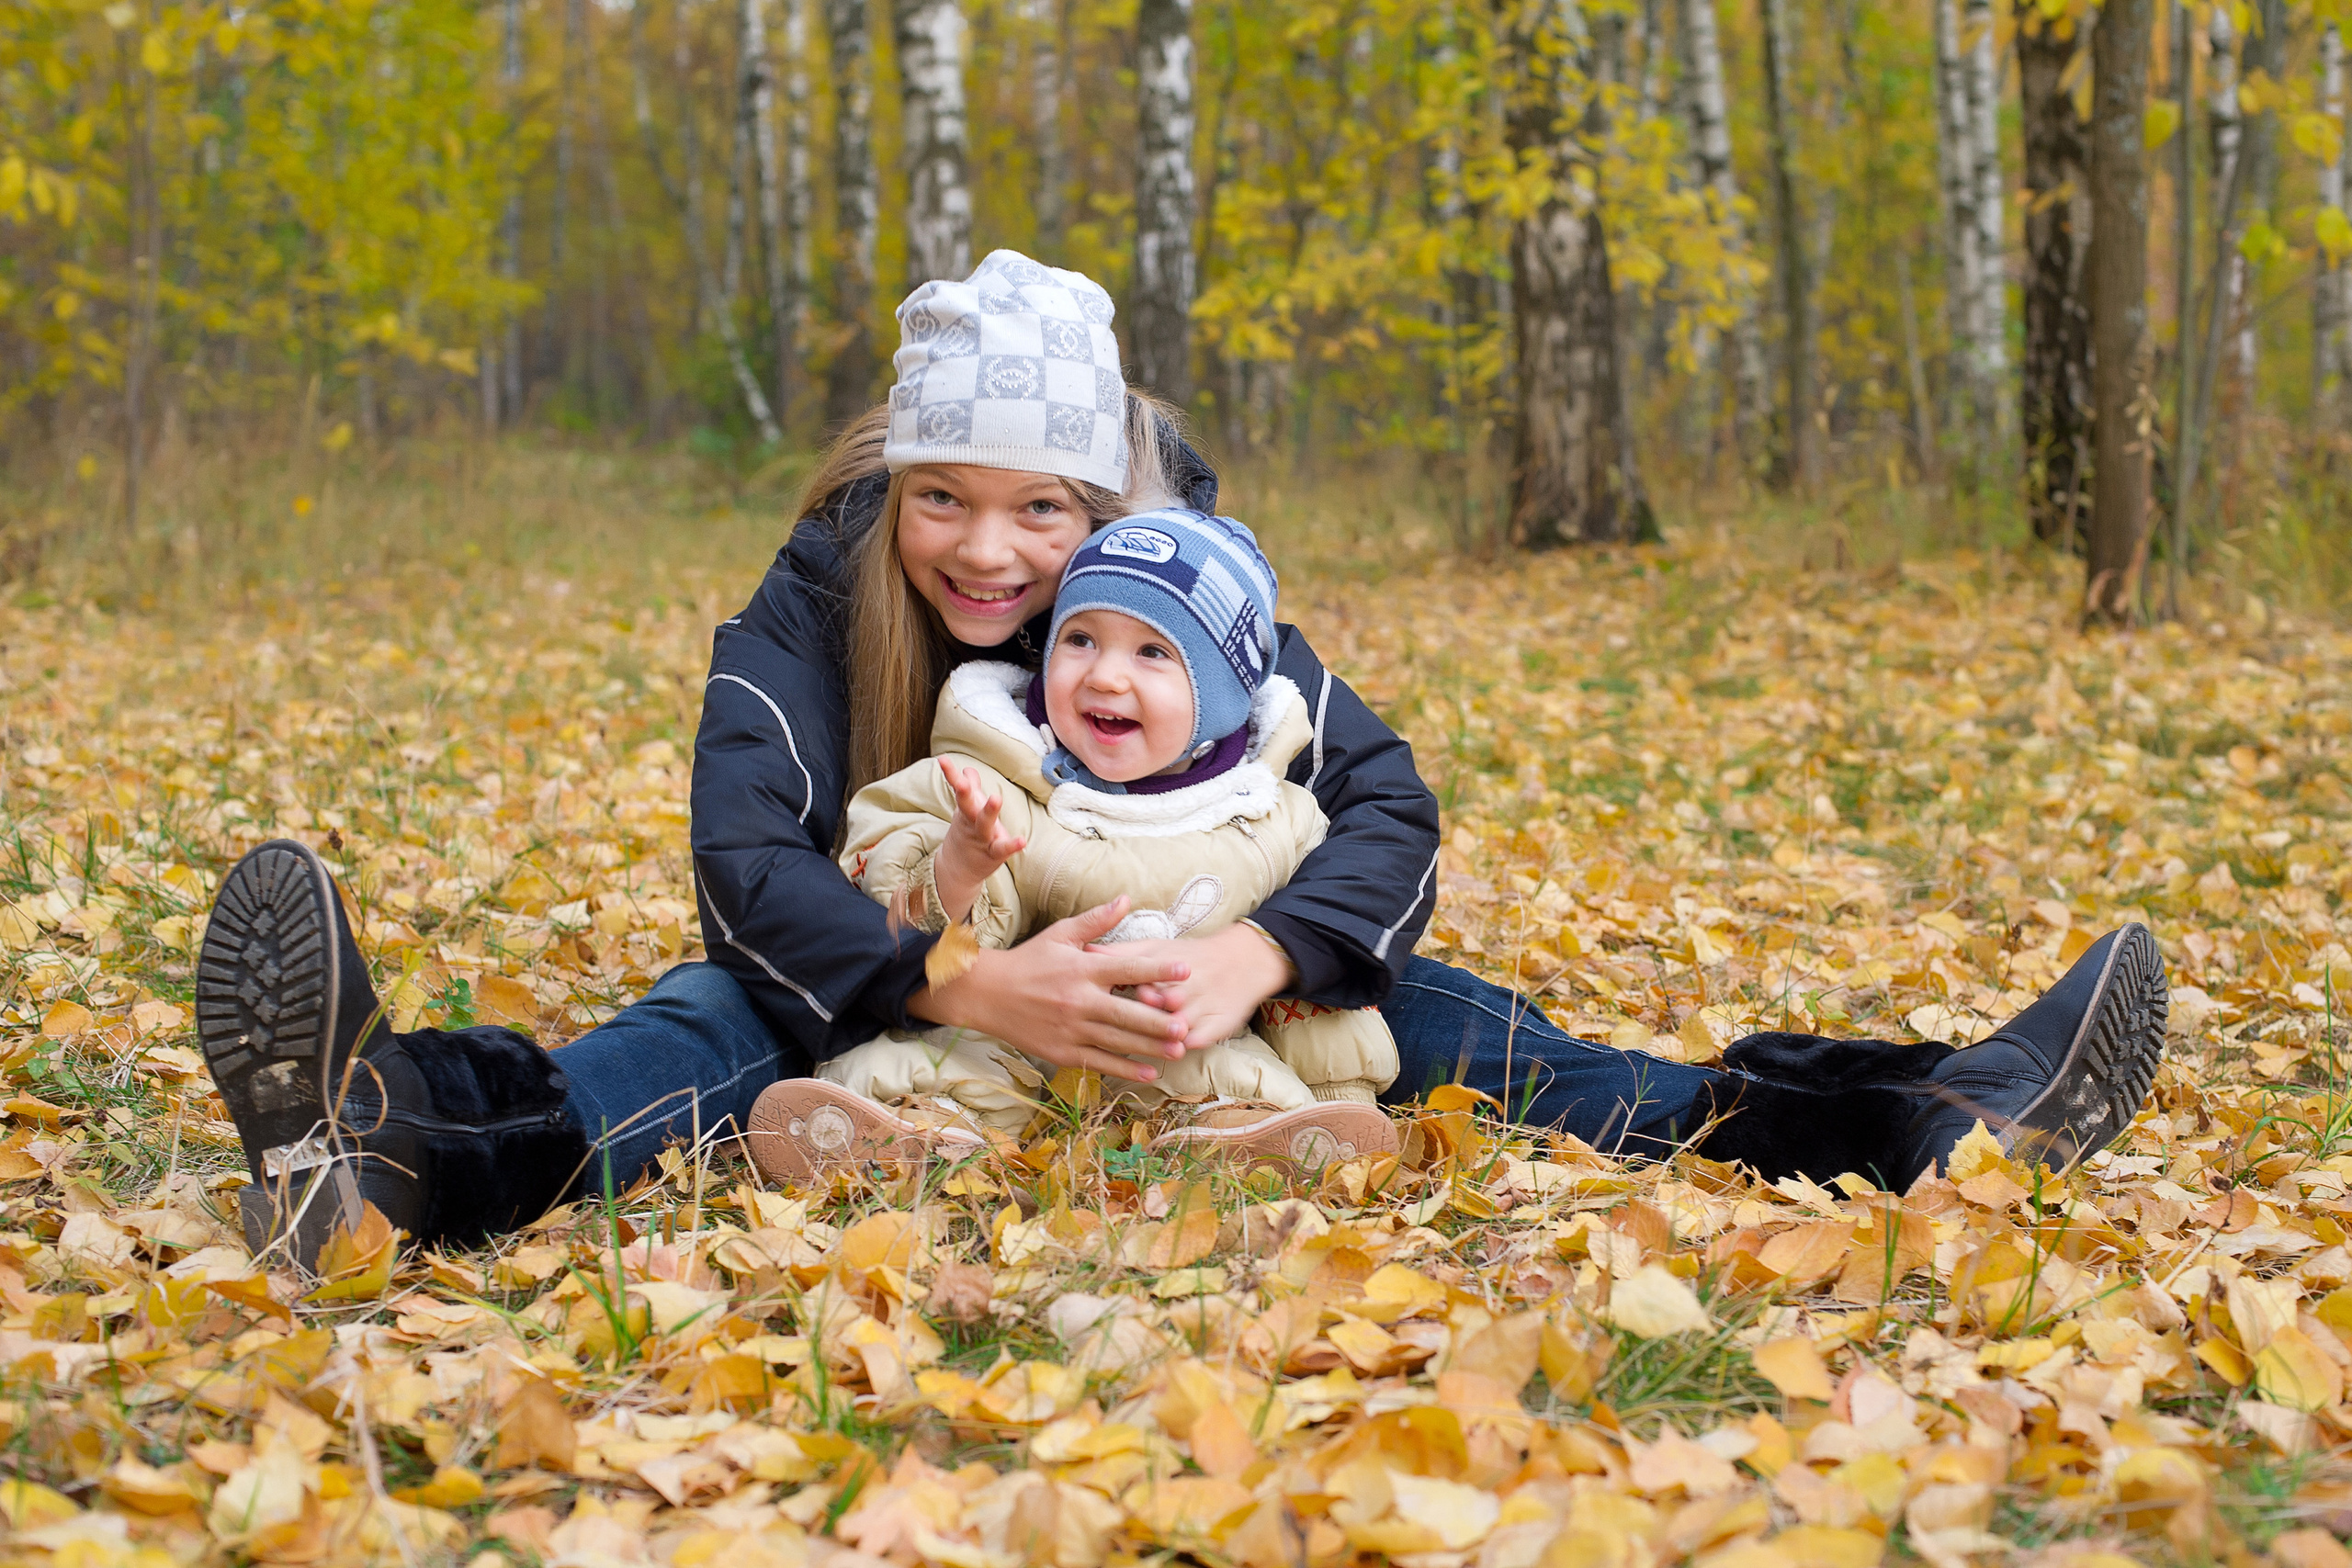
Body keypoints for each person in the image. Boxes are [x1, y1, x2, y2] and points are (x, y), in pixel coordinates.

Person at [191, 250, 2169, 1269]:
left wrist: (1264, 956)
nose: (985, 550)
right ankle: (376, 1148)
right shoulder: (804, 610)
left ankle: (1926, 1116)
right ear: (886, 488)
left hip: (1195, 976)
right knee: (684, 1036)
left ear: (1107, 500)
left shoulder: (1180, 602)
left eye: (1035, 507)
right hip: (878, 993)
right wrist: (959, 974)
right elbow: (741, 858)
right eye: (938, 498)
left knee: (1501, 1043)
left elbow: (1377, 794)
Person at [746, 507, 1398, 1181]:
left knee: (1233, 1077)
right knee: (940, 1062)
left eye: (1153, 652)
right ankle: (915, 1132)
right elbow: (904, 932)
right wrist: (958, 869)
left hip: (1176, 1047)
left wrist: (1341, 1097)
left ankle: (1236, 1139)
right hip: (1008, 1027)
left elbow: (1310, 972)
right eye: (1080, 639)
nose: (1106, 676)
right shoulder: (990, 780)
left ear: (1224, 697)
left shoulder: (1269, 818)